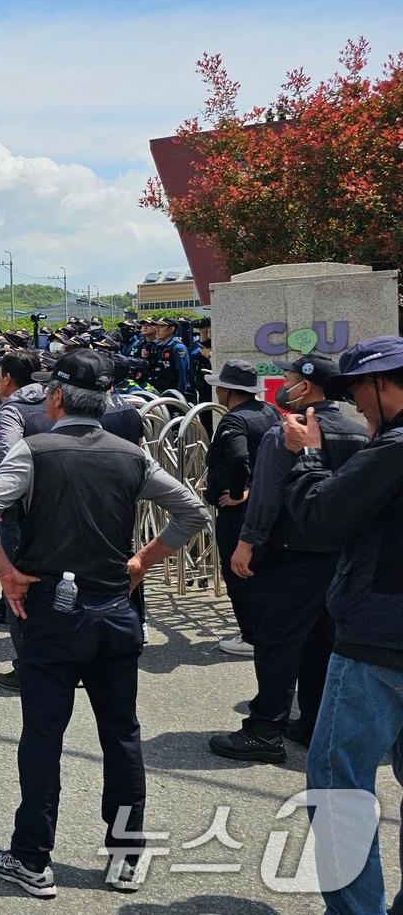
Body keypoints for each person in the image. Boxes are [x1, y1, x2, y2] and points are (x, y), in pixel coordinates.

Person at [0, 349, 210, 897]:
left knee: (43, 735)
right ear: (104, 401)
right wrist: (142, 562)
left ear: (55, 397)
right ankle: (126, 855)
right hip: (114, 609)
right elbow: (193, 511)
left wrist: (6, 574)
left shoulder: (34, 450)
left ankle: (32, 857)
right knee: (121, 734)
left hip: (51, 609)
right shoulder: (132, 455)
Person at [281, 336, 403, 915]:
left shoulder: (395, 449)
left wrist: (305, 455)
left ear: (382, 385)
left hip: (376, 647)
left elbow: (320, 518)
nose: (355, 407)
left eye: (357, 393)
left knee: (338, 789)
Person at [210, 355, 367, 763]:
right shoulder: (358, 432)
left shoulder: (288, 432)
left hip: (288, 555)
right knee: (321, 644)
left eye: (292, 379)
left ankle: (265, 729)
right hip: (338, 557)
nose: (285, 385)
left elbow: (266, 495)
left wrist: (246, 542)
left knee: (277, 643)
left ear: (307, 388)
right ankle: (313, 722)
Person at [200, 360, 280, 657]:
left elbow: (237, 459)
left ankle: (251, 635)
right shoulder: (269, 412)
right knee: (260, 571)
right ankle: (264, 630)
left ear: (226, 390)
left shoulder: (234, 420)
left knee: (237, 571)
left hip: (236, 512)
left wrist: (237, 492)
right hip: (264, 504)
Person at [0, 350, 50, 643]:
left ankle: (25, 666)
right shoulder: (56, 402)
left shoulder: (13, 408)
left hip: (21, 506)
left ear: (6, 378)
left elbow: (6, 454)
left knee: (16, 577)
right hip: (58, 501)